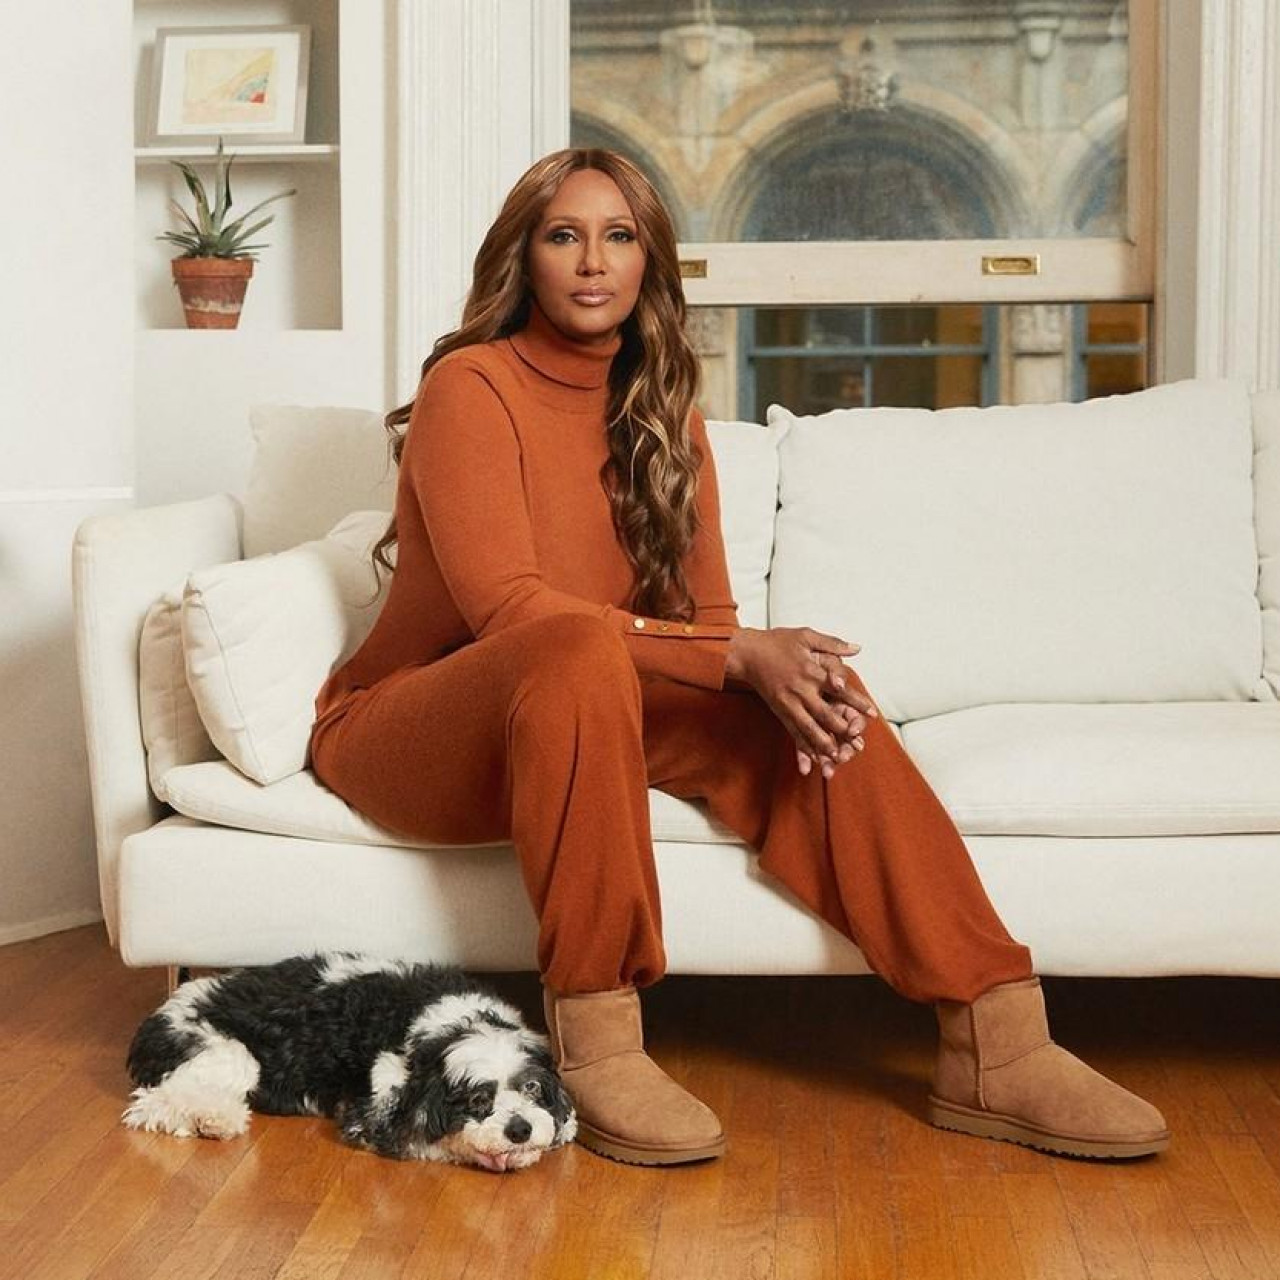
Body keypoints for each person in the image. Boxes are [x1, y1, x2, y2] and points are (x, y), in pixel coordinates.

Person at [309, 147, 1169, 1167]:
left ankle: (995, 1036)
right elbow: (510, 611)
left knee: (814, 690)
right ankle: (598, 1038)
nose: (593, 261)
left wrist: (765, 665)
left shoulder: (661, 410)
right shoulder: (472, 386)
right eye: (564, 236)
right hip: (416, 728)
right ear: (524, 257)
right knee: (580, 643)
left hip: (584, 712)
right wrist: (735, 655)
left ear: (649, 261)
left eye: (619, 236)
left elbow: (707, 621)